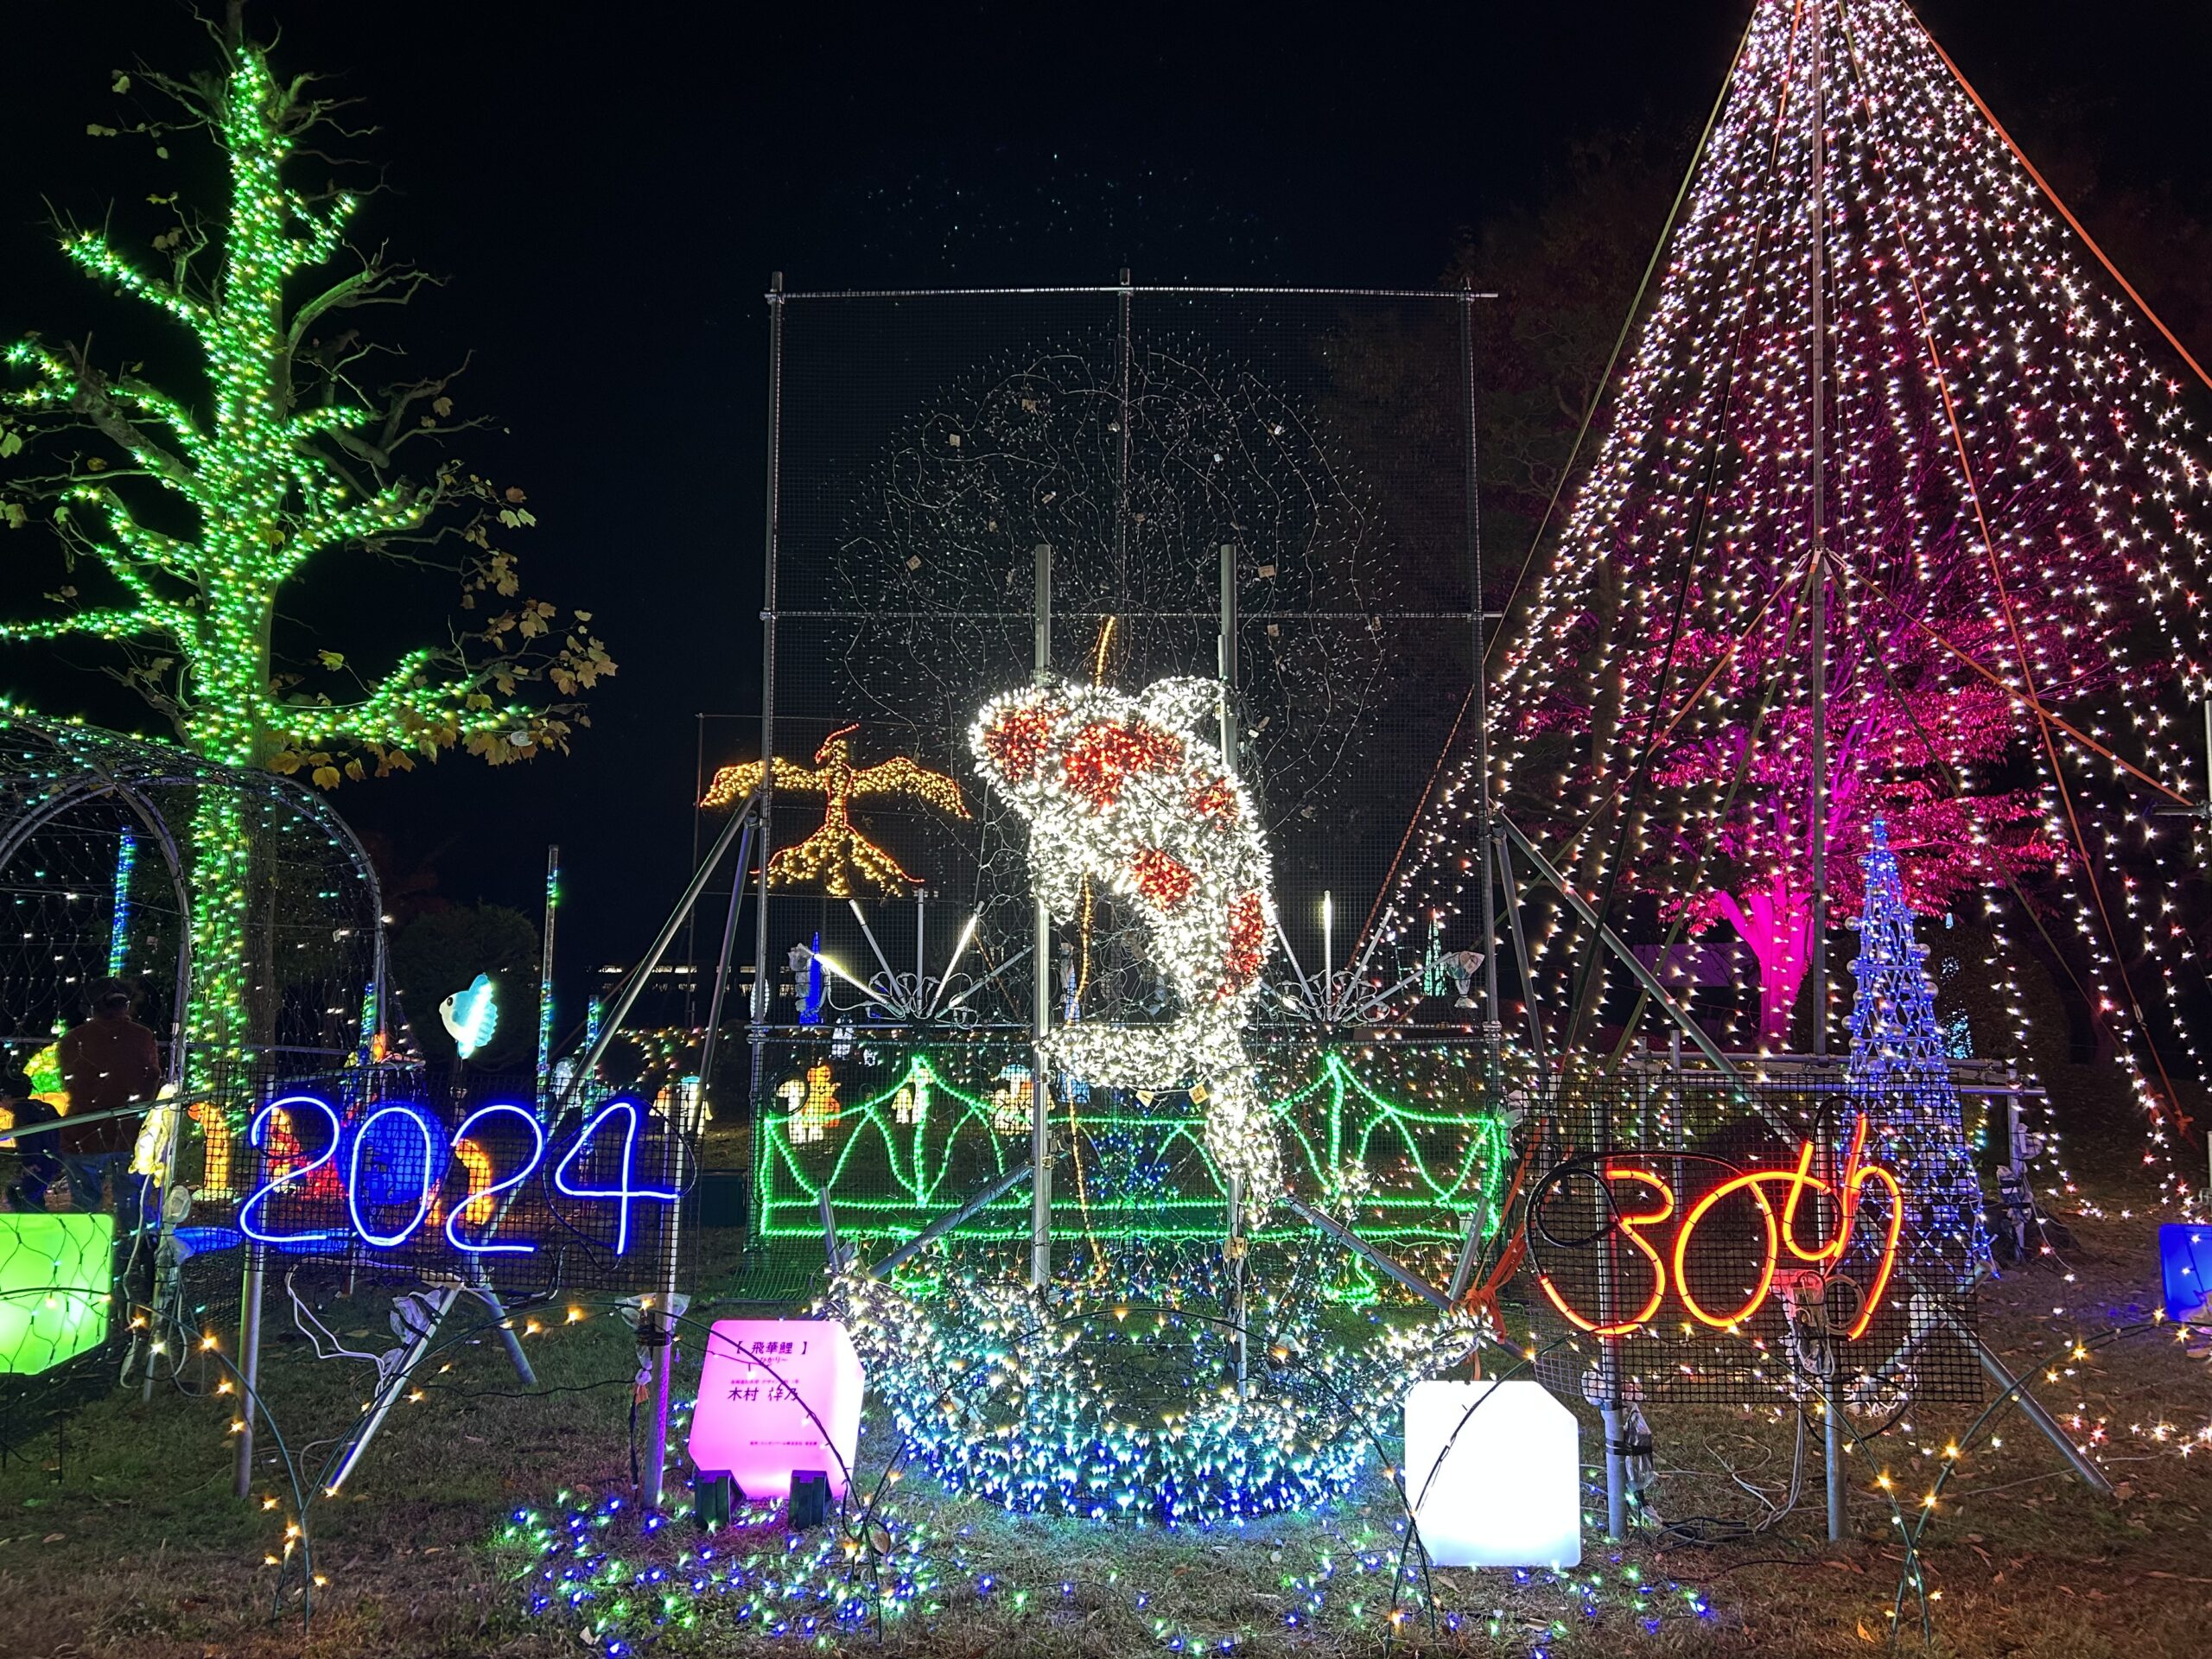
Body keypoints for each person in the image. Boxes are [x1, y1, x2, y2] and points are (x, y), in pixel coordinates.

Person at [56, 980, 162, 1231]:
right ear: (126, 1004)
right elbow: (152, 1078)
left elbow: (70, 1083)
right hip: (129, 1133)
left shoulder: (74, 1039)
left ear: (90, 1007)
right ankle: (139, 1254)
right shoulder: (142, 1037)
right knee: (132, 1202)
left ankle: (86, 1253)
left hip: (83, 1132)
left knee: (84, 1204)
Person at [3, 1071, 64, 1212]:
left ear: (6, 1096)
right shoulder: (44, 1106)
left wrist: (30, 1163)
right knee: (29, 1194)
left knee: (22, 1195)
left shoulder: (22, 1112)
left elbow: (29, 1139)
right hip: (55, 1157)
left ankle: (34, 1226)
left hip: (40, 1163)